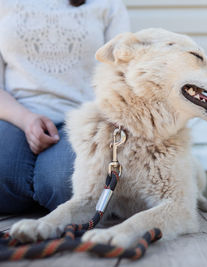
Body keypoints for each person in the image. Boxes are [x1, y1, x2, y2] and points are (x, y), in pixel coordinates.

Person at [0, 0, 130, 213]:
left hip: (84, 118)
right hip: (13, 114)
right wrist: (26, 120)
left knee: (62, 186)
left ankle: (39, 192)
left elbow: (120, 77)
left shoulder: (108, 5)